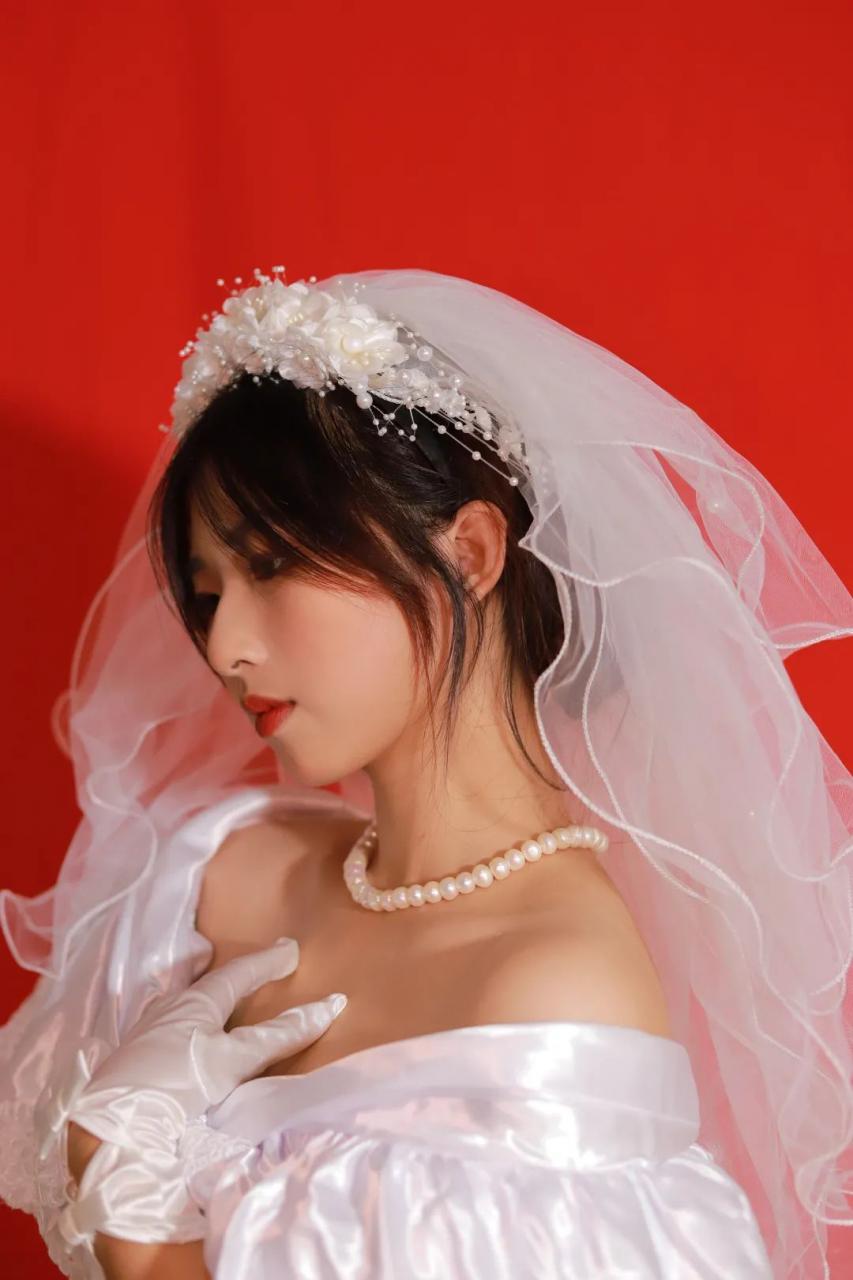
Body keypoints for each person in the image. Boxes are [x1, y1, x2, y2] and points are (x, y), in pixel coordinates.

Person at [0, 266, 850, 1279]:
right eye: (206, 591)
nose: (224, 645)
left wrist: (130, 1202)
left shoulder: (554, 995)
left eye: (271, 564)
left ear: (470, 552)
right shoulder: (212, 868)